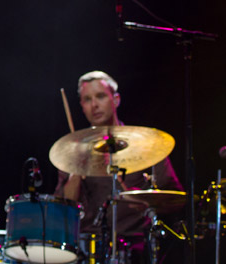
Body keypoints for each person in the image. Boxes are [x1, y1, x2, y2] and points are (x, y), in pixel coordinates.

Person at [54, 71, 182, 256]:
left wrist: (147, 201)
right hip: (87, 248)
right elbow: (62, 210)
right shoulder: (72, 151)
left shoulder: (146, 145)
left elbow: (174, 197)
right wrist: (76, 169)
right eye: (87, 99)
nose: (95, 105)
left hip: (136, 245)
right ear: (82, 106)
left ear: (116, 99)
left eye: (100, 96)